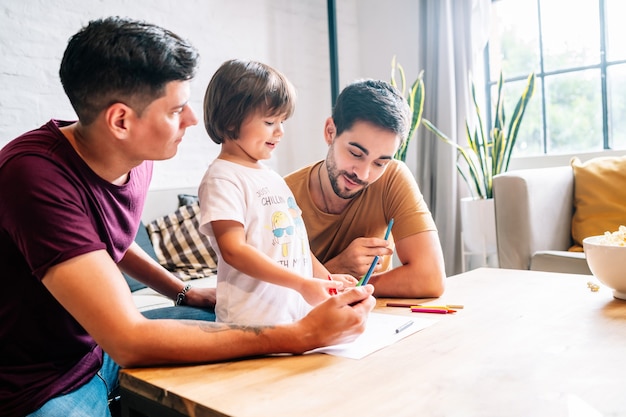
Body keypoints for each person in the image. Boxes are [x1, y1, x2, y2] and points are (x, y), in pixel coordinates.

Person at [0, 18, 375, 417]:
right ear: (121, 121)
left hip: (98, 345)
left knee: (226, 326)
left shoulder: (135, 158)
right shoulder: (31, 177)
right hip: (39, 381)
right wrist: (302, 335)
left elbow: (109, 242)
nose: (193, 120)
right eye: (177, 109)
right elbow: (128, 339)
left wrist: (182, 292)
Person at [198, 59, 356, 325]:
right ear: (230, 122)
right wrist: (302, 283)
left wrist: (324, 279)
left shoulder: (272, 178)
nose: (280, 131)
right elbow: (234, 251)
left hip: (292, 318)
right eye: (270, 121)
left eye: (282, 121)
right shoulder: (222, 178)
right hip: (250, 322)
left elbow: (295, 244)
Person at [285, 79, 446, 299]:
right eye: (356, 154)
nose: (362, 174)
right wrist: (340, 265)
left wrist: (351, 287)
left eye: (379, 163)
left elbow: (430, 278)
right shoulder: (281, 197)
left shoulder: (392, 178)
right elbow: (270, 293)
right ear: (330, 132)